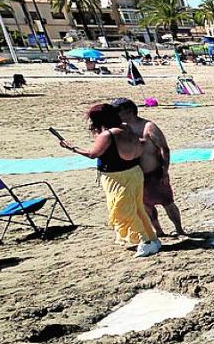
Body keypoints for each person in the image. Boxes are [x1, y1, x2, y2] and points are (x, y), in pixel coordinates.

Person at [60, 104, 161, 257]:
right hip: (134, 172)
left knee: (122, 210)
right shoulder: (125, 127)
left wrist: (72, 148)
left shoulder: (107, 135)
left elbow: (93, 154)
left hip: (117, 177)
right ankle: (152, 239)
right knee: (137, 208)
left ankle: (145, 241)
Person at [112, 98, 185, 238]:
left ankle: (179, 229)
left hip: (155, 173)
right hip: (136, 175)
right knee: (146, 207)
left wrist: (165, 171)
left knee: (168, 203)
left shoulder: (148, 126)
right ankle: (159, 231)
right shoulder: (121, 129)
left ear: (129, 111)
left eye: (118, 111)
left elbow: (164, 149)